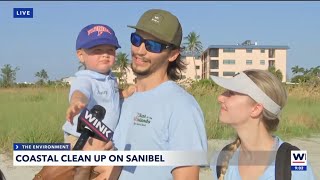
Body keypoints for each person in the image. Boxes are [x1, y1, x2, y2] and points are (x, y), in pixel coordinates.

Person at [95, 9, 208, 180]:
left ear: (173, 54)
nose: (140, 51)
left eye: (152, 45)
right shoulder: (119, 99)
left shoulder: (182, 107)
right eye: (136, 40)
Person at [209, 69, 316, 179]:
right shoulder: (223, 158)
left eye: (231, 93)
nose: (220, 98)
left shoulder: (296, 160)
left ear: (256, 109)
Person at [62, 24, 134, 180]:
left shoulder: (110, 78)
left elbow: (111, 96)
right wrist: (77, 102)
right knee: (81, 169)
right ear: (81, 55)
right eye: (97, 51)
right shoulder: (85, 78)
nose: (105, 55)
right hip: (81, 137)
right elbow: (80, 92)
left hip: (102, 137)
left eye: (110, 50)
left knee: (109, 167)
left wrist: (125, 93)